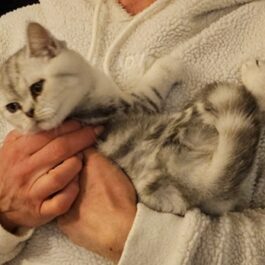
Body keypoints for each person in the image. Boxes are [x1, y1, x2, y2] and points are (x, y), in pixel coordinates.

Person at [1, 0, 265, 264]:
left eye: (36, 90)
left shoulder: (256, 22)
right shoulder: (7, 29)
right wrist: (4, 214)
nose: (29, 114)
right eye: (13, 107)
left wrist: (135, 236)